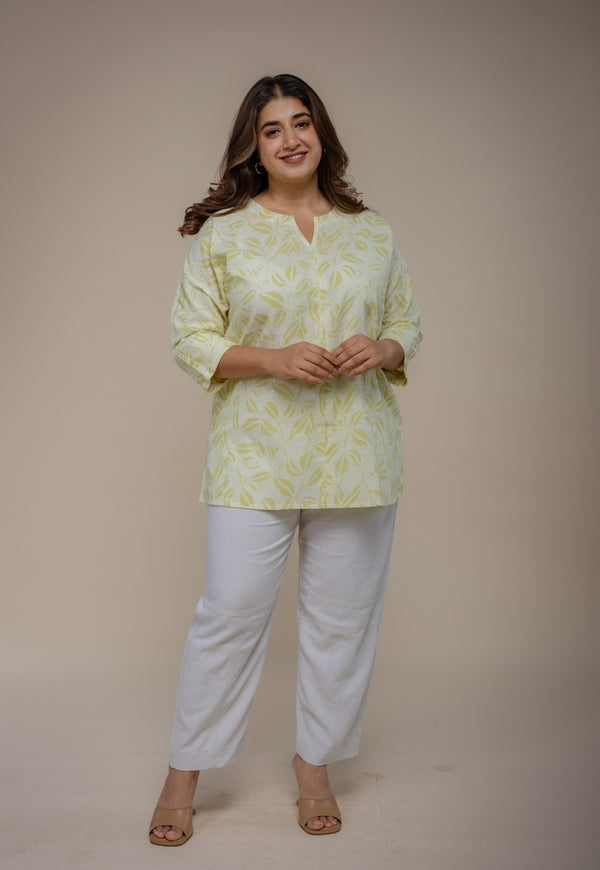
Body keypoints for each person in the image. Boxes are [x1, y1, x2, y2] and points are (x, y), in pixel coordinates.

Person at [148, 73, 422, 846]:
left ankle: (315, 767)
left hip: (358, 455)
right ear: (254, 147)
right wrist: (271, 359)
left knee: (343, 622)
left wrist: (385, 348)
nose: (291, 139)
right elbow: (190, 338)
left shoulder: (372, 232)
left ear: (322, 132)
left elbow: (407, 321)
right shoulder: (224, 234)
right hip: (255, 456)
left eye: (302, 122)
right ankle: (182, 774)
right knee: (231, 613)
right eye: (272, 129)